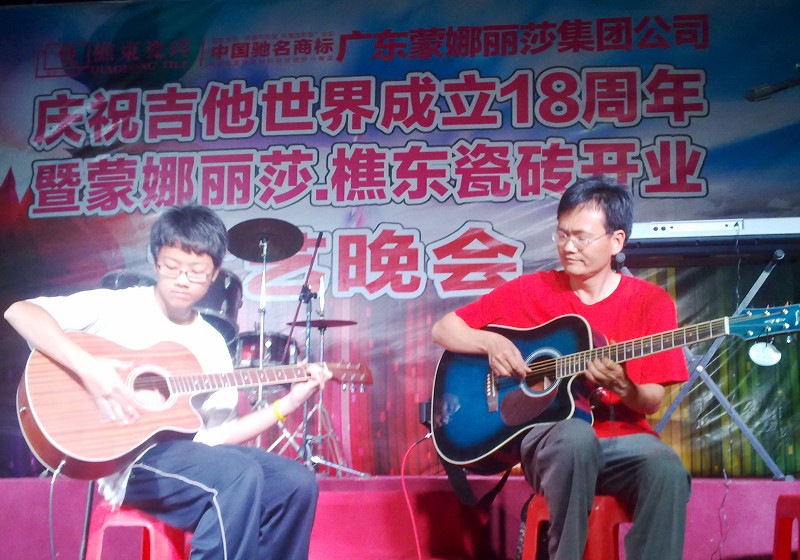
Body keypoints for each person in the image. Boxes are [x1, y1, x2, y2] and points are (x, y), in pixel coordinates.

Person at [5, 205, 330, 560]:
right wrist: (90, 369)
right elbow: (20, 312)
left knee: (295, 483)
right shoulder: (118, 306)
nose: (183, 279)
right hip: (126, 461)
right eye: (172, 266)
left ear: (214, 274)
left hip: (190, 456)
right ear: (156, 261)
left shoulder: (210, 343)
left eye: (196, 271)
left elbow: (219, 435)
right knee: (239, 475)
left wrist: (289, 403)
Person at [431, 176, 691, 560]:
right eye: (562, 235)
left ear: (616, 241)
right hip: (551, 444)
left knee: (666, 468)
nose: (568, 247)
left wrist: (624, 386)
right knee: (574, 436)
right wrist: (491, 343)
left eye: (582, 238)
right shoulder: (531, 291)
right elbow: (443, 328)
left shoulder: (651, 302)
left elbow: (651, 399)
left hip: (622, 444)